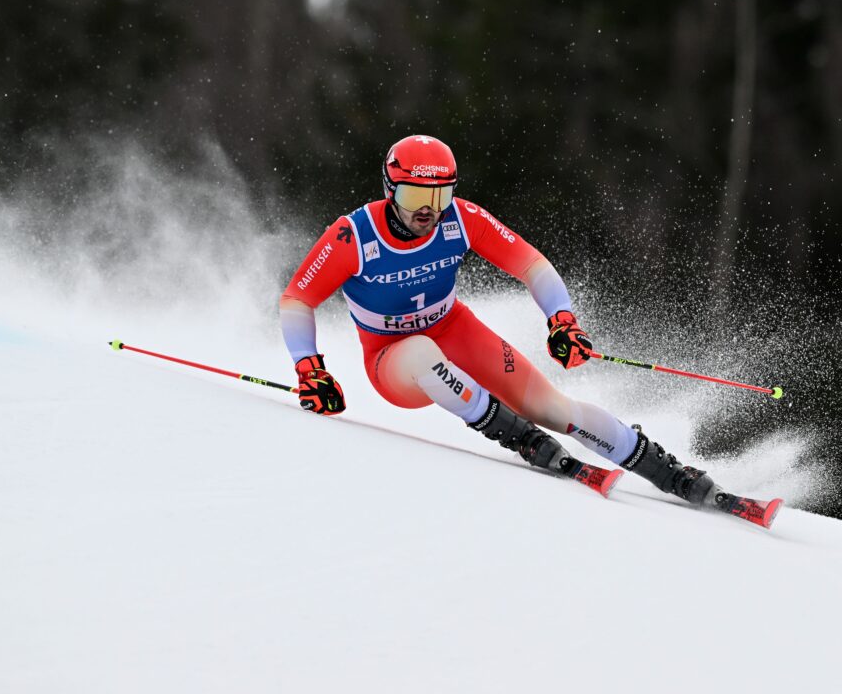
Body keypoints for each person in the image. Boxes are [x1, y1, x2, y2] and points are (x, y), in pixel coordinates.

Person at [278, 134, 740, 514]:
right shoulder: (352, 234)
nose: (428, 210)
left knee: (553, 407)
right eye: (415, 195)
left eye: (439, 195)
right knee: (422, 353)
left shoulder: (462, 219)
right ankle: (520, 438)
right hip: (391, 359)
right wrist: (309, 369)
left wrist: (562, 320)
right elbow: (298, 298)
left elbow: (531, 265)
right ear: (389, 190)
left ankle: (671, 472)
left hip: (455, 329)